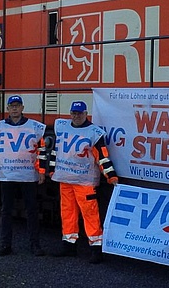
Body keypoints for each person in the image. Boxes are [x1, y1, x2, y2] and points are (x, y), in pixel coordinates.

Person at [48, 100, 118, 264]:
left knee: (91, 215)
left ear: (86, 114)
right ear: (70, 113)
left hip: (84, 182)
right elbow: (56, 152)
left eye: (79, 113)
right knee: (67, 214)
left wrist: (111, 175)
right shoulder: (63, 127)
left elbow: (102, 156)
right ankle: (69, 246)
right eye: (74, 113)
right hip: (65, 180)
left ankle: (96, 250)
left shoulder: (94, 133)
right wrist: (51, 170)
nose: (76, 116)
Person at [0, 95, 47, 256]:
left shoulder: (35, 127)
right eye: (12, 106)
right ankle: (5, 245)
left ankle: (35, 245)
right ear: (7, 108)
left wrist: (41, 171)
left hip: (28, 175)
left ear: (22, 108)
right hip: (6, 174)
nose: (14, 108)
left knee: (32, 210)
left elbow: (41, 152)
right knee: (6, 210)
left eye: (17, 105)